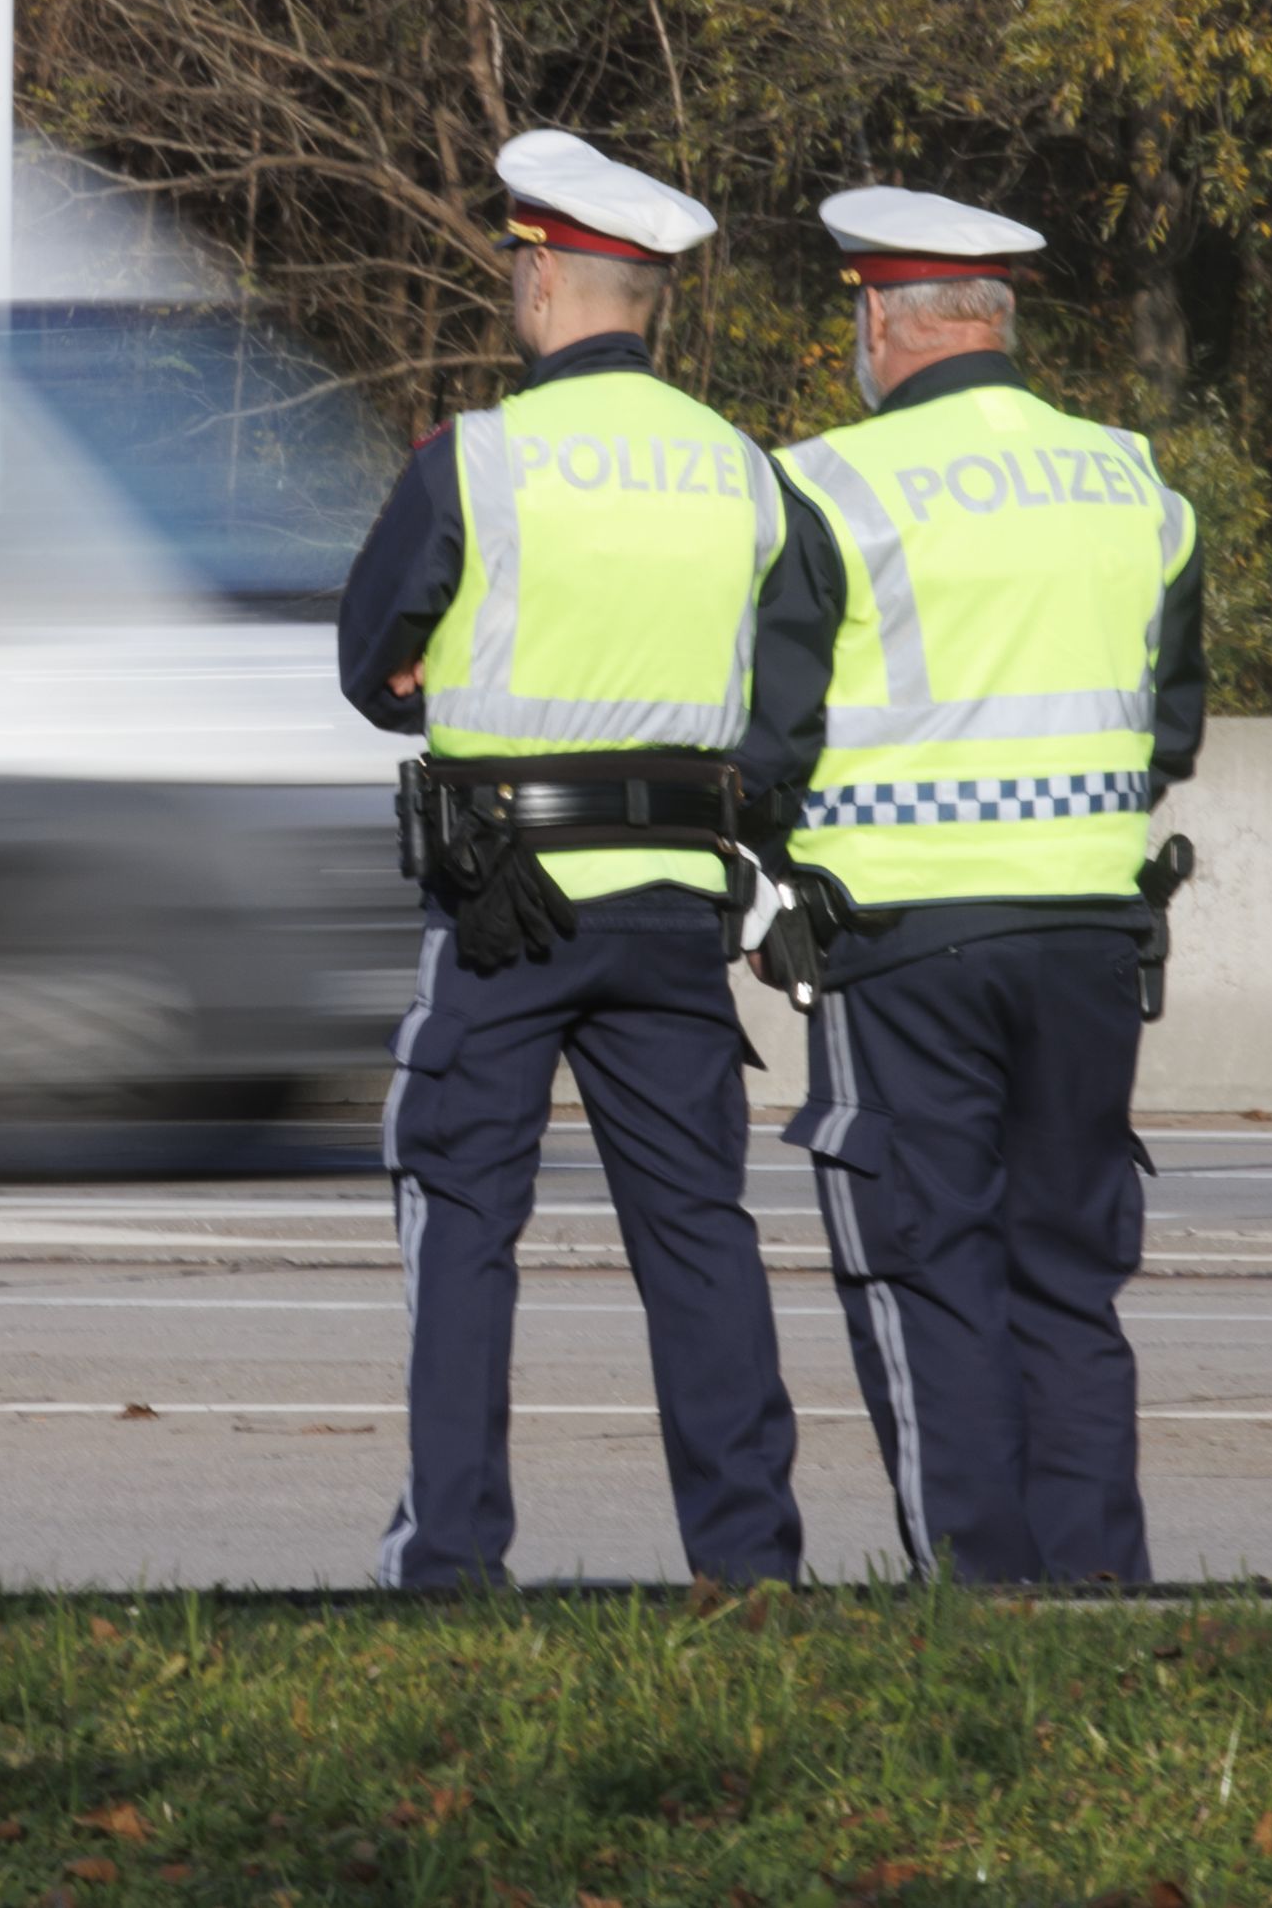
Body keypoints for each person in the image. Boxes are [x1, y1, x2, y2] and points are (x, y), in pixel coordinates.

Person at [337, 129, 834, 1591]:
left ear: (543, 275)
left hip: (504, 905)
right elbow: (791, 713)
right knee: (698, 1235)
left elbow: (375, 667)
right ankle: (750, 1561)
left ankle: (451, 1557)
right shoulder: (747, 476)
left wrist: (428, 679)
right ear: (648, 294)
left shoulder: (475, 459)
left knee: (465, 1218)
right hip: (676, 904)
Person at [769, 188, 1207, 1584]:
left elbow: (766, 735)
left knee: (926, 1265)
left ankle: (984, 1592)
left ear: (883, 323)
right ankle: (1095, 1588)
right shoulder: (1138, 481)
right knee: (1069, 1279)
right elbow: (1172, 730)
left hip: (902, 942)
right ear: (994, 322)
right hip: (1091, 934)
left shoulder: (827, 484)